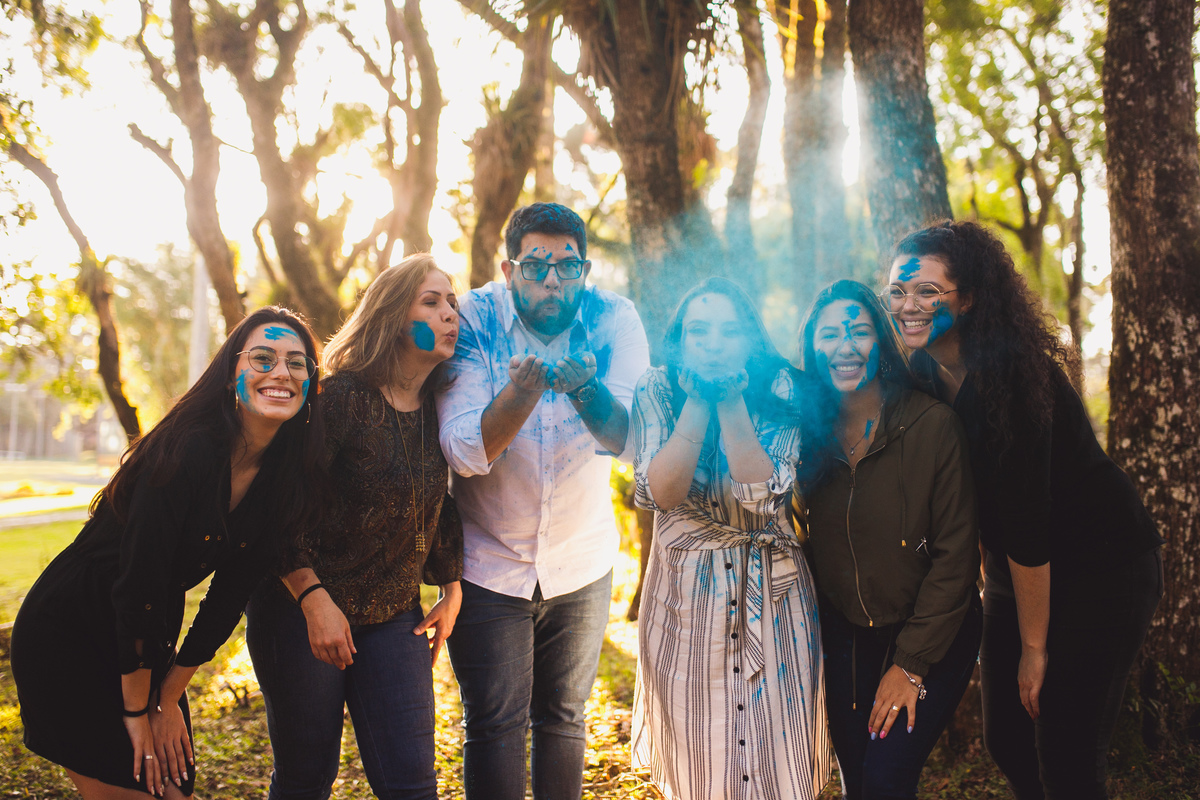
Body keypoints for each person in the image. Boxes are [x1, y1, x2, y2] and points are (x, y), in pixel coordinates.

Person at [886, 219, 1164, 800]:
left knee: (1067, 753)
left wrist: (1034, 650)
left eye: (927, 292)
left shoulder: (1013, 379)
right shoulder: (922, 374)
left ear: (970, 298)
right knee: (1007, 740)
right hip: (1018, 571)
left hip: (1102, 568)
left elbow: (1029, 525)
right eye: (898, 291)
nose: (909, 305)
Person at [12, 306, 324, 799]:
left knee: (173, 787)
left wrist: (169, 698)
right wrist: (140, 710)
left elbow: (228, 598)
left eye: (296, 362)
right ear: (231, 376)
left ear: (310, 383)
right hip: (71, 626)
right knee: (141, 785)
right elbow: (141, 584)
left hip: (144, 634)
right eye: (263, 358)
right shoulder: (188, 450)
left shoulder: (283, 477)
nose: (281, 372)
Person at [436, 202, 650, 800]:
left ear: (585, 269)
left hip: (581, 560)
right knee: (494, 724)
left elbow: (634, 440)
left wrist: (586, 390)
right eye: (536, 266)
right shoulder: (476, 317)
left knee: (563, 719)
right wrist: (522, 391)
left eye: (566, 266)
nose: (551, 281)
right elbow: (463, 449)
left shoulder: (615, 318)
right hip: (488, 563)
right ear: (509, 270)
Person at [244, 254, 464, 800]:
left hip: (393, 616)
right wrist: (313, 599)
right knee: (306, 779)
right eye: (431, 301)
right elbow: (279, 503)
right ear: (392, 314)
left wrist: (450, 583)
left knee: (413, 783)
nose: (449, 314)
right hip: (301, 611)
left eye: (453, 302)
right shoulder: (341, 398)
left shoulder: (443, 405)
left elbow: (435, 499)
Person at [629, 276, 830, 800]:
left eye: (728, 331)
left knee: (779, 753)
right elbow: (662, 493)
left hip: (776, 595)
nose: (713, 343)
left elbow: (761, 496)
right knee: (701, 754)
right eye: (699, 331)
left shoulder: (784, 385)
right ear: (680, 340)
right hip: (683, 599)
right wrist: (697, 402)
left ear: (749, 339)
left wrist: (732, 402)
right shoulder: (655, 386)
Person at [795, 279, 981, 800]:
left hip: (932, 630)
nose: (845, 346)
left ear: (882, 340)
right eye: (829, 335)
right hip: (847, 634)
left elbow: (956, 560)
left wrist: (910, 665)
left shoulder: (932, 425)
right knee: (858, 779)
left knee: (885, 780)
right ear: (813, 349)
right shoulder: (805, 439)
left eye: (859, 331)